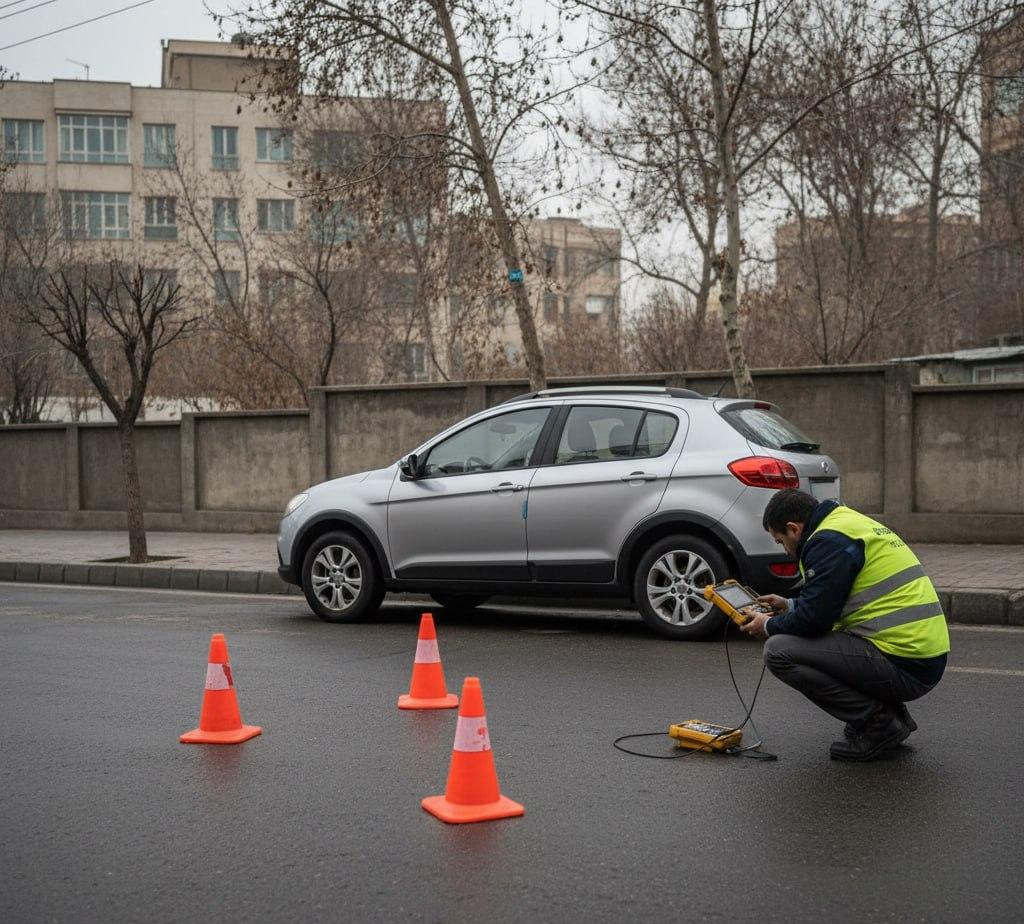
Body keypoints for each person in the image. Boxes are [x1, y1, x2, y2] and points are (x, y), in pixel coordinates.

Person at [739, 488, 950, 761]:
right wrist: (789, 605)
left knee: (778, 651)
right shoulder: (846, 524)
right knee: (822, 643)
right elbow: (835, 600)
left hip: (906, 664)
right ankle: (892, 715)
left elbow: (815, 621)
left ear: (793, 528)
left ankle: (879, 724)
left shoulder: (827, 541)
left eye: (781, 541)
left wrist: (767, 625)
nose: (785, 549)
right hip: (922, 657)